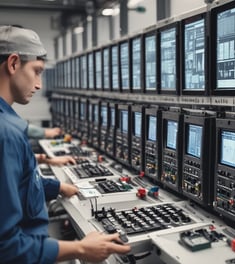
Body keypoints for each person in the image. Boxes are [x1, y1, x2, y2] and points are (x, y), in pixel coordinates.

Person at [0, 25, 131, 263]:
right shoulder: (6, 133)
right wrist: (80, 249)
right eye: (37, 71)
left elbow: (17, 184)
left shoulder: (8, 124)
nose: (39, 84)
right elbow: (6, 248)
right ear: (13, 63)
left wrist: (55, 186)